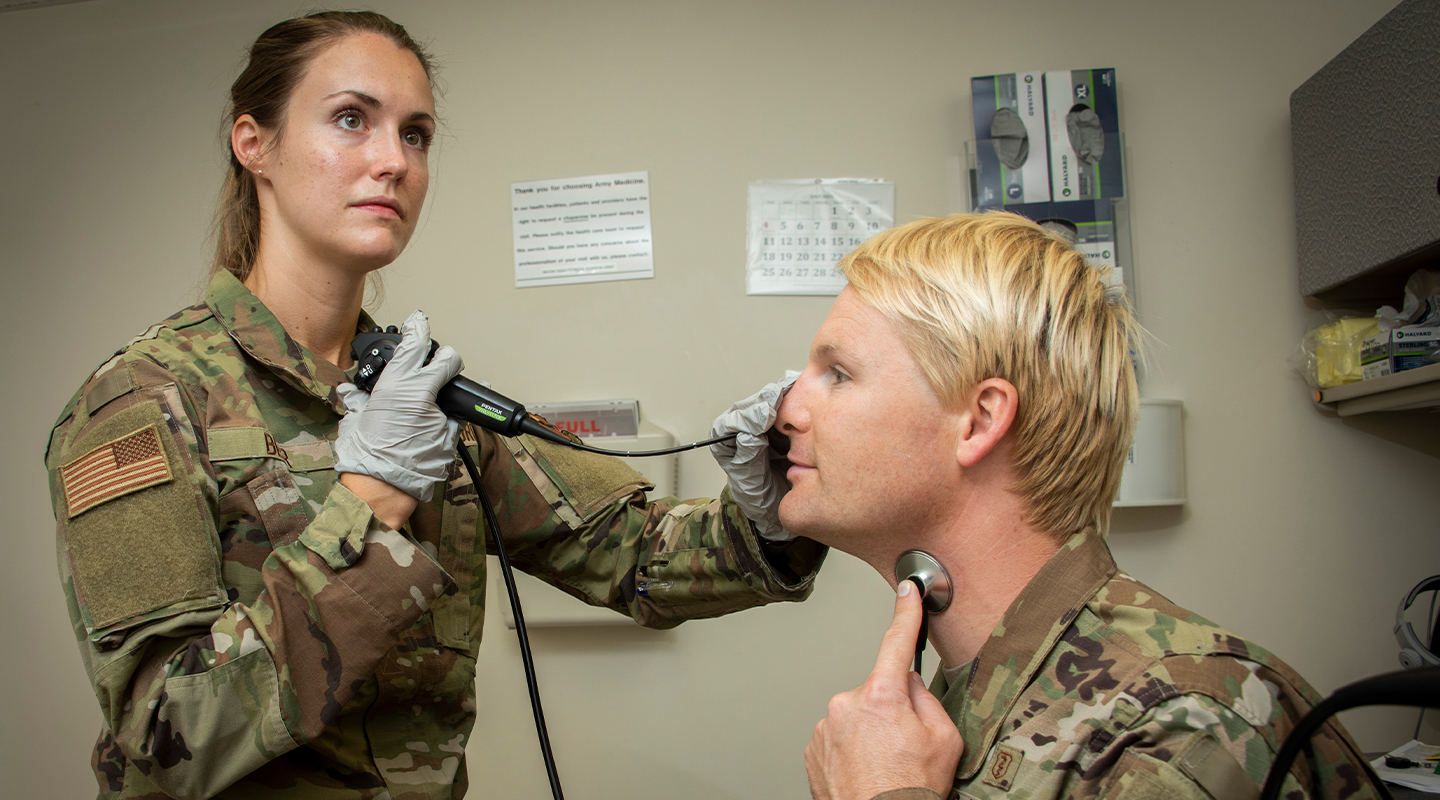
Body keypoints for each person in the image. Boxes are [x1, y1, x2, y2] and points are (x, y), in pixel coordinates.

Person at [43, 11, 820, 799]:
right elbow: (164, 737)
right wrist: (369, 502)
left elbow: (636, 556)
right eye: (351, 120)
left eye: (415, 134)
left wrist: (767, 512)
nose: (393, 161)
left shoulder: (416, 397)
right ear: (255, 145)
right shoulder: (140, 401)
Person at [781, 214, 1381, 799]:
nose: (785, 412)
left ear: (979, 421)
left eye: (838, 373)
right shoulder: (963, 703)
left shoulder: (1172, 735)